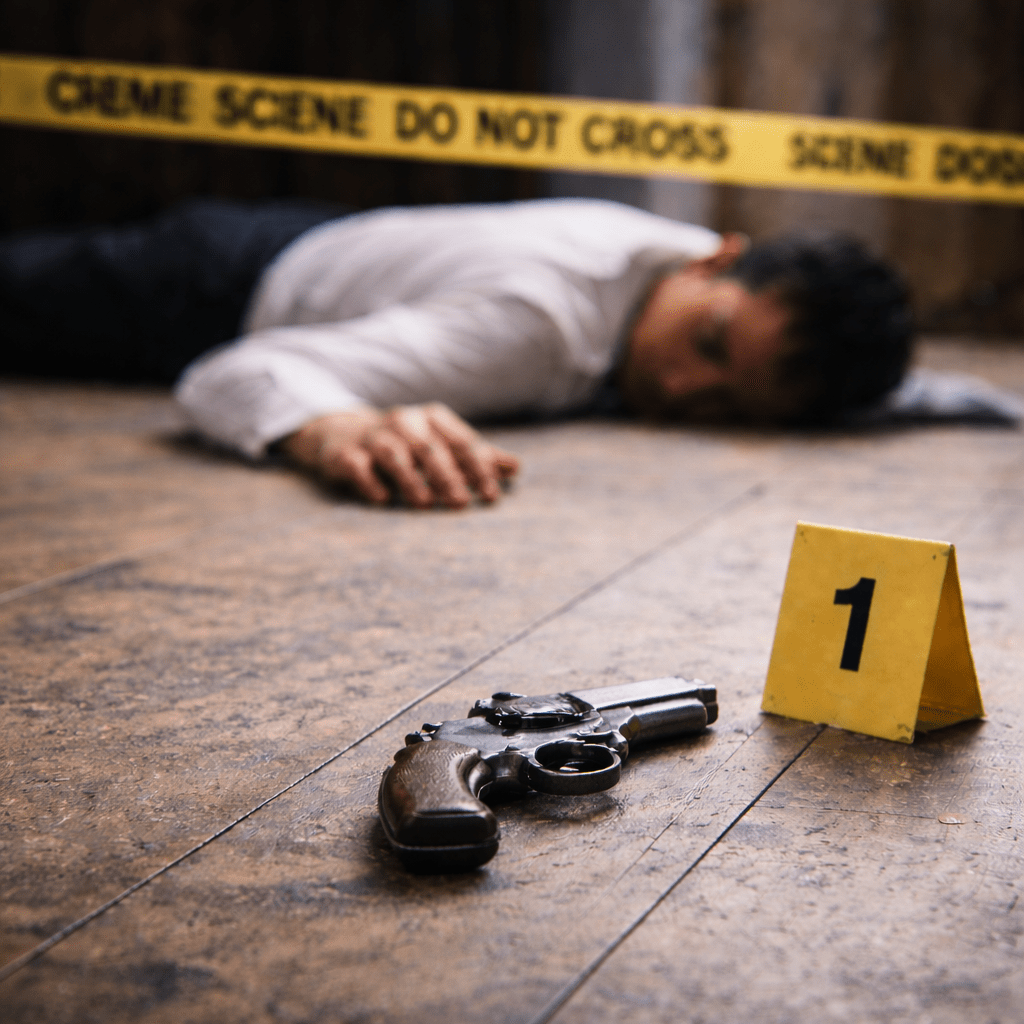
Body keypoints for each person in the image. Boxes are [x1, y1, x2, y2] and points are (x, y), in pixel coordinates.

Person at [2, 197, 913, 509]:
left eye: (728, 406)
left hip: (322, 244)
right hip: (199, 289)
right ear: (721, 252)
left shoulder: (669, 259)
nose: (680, 385)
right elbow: (232, 374)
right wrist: (334, 427)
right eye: (709, 343)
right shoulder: (532, 325)